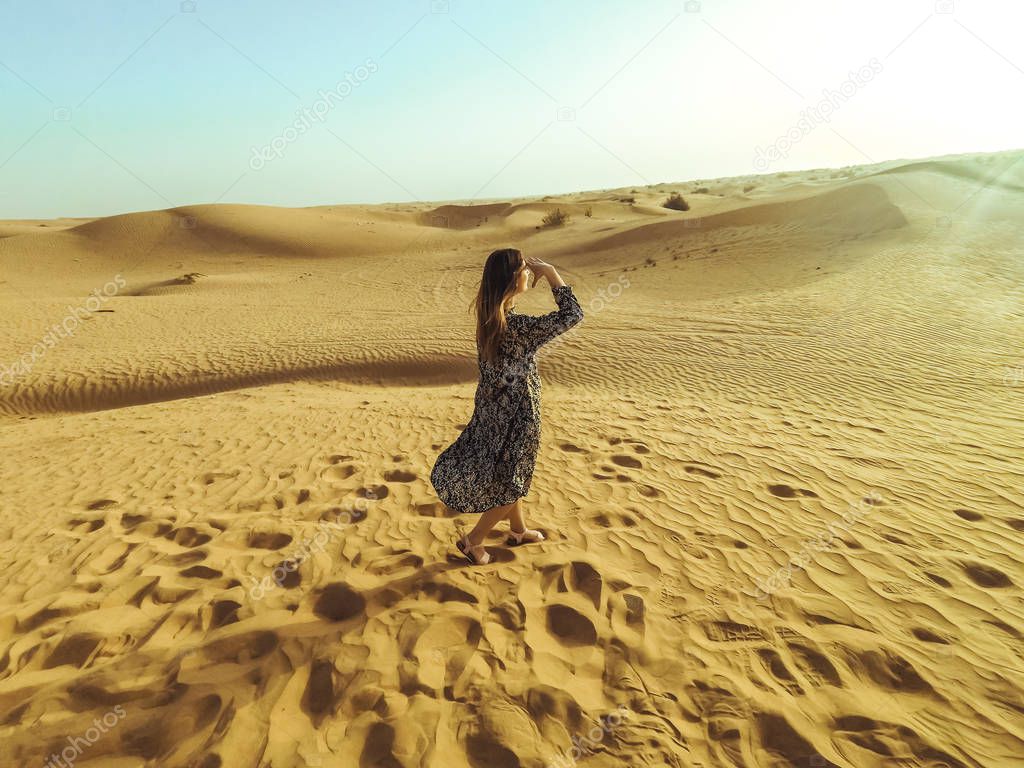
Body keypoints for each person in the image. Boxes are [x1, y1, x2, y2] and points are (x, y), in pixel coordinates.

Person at [429, 247, 584, 564]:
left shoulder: (490, 319)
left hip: (490, 411)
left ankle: (517, 530)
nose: (530, 273)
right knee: (514, 482)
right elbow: (572, 315)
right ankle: (473, 541)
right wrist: (552, 273)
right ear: (513, 279)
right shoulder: (518, 328)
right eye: (525, 270)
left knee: (508, 474)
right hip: (517, 415)